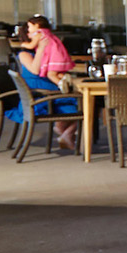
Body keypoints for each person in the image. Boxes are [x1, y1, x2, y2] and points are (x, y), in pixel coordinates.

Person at [15, 14, 81, 152]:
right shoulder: (24, 54)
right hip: (38, 94)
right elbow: (35, 70)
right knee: (82, 103)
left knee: (85, 103)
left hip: (49, 91)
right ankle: (65, 132)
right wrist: (41, 48)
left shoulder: (46, 52)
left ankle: (65, 133)